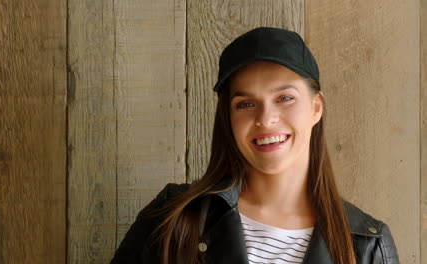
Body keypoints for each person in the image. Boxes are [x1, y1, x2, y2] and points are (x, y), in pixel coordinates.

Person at [111, 27, 400, 264]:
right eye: (246, 104)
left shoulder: (366, 244)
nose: (265, 118)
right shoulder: (172, 217)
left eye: (284, 98)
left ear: (316, 107)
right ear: (229, 117)